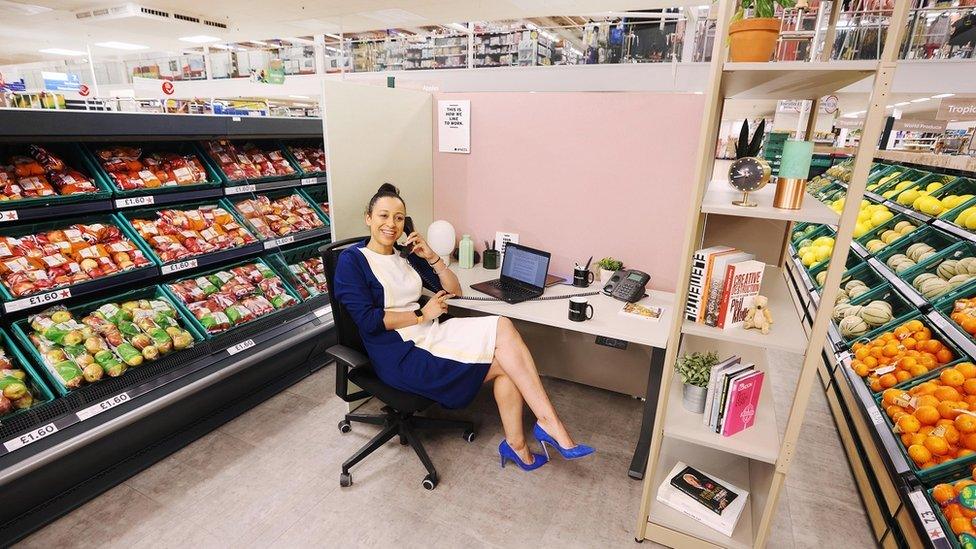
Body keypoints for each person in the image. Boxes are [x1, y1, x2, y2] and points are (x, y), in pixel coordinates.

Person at [333, 183, 594, 472]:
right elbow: (368, 320)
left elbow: (453, 291)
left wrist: (431, 257)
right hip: (398, 352)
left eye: (398, 217)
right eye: (383, 216)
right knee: (508, 364)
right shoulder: (352, 261)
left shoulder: (405, 255)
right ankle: (530, 438)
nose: (391, 224)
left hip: (430, 331)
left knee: (503, 327)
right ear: (368, 217)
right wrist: (421, 314)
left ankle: (539, 429)